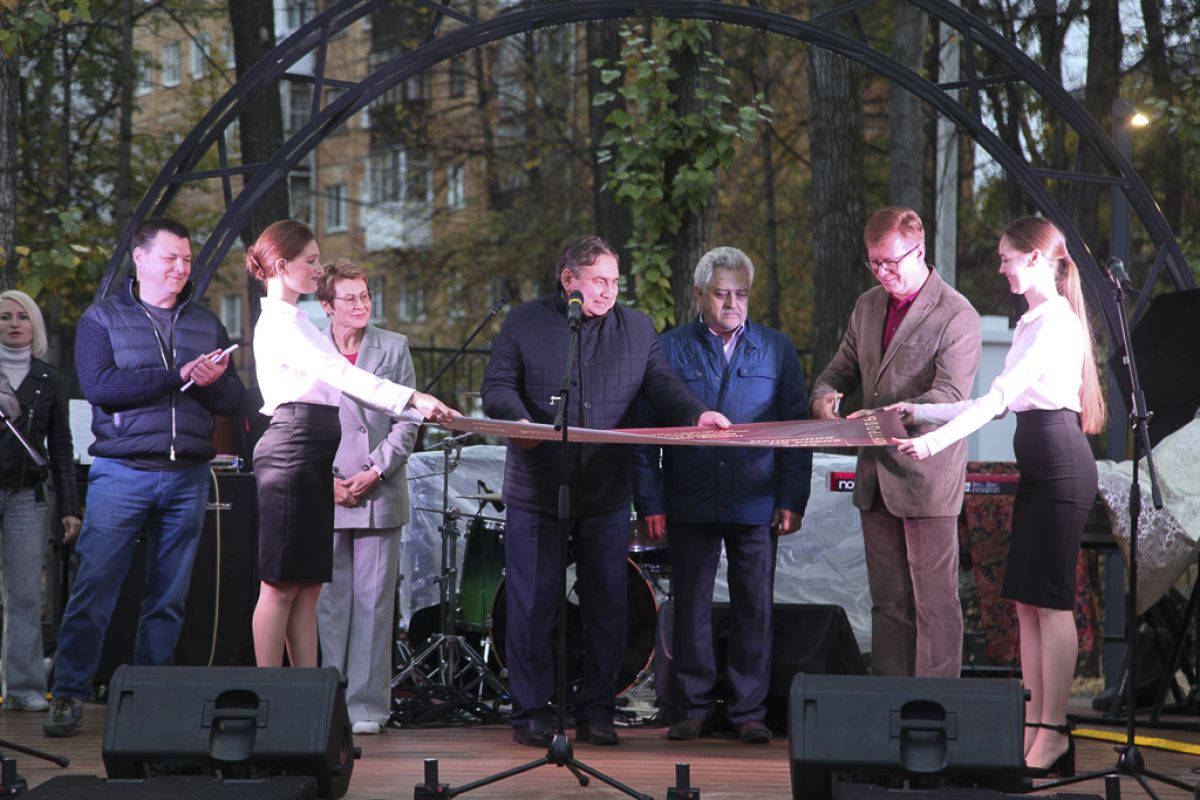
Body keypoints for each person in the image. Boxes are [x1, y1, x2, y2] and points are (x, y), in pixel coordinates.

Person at [481, 235, 730, 747]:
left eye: (615, 281)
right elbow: (497, 387)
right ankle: (531, 712)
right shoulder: (525, 322)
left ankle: (597, 711)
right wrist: (519, 421)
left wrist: (696, 413)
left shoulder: (636, 329)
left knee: (608, 605)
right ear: (568, 280)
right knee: (532, 605)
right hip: (537, 487)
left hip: (606, 491)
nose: (609, 291)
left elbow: (661, 385)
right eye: (599, 281)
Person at [888, 216, 1103, 776]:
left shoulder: (1056, 322)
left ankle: (1053, 732)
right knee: (1028, 602)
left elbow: (997, 400)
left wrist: (932, 443)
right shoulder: (1033, 321)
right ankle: (1035, 727)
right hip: (1040, 468)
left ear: (1035, 258)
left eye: (1007, 258)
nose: (1001, 267)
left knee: (1051, 601)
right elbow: (992, 401)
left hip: (1061, 468)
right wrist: (921, 412)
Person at [45, 217, 245, 737]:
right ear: (140, 258)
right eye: (170, 258)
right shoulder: (101, 319)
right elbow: (101, 388)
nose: (181, 268)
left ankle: (149, 696)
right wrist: (179, 375)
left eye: (187, 259)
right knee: (95, 588)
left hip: (188, 475)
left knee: (169, 597)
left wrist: (209, 382)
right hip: (122, 472)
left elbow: (233, 400)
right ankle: (68, 693)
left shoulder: (205, 322)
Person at [246, 220, 455, 671]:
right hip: (292, 450)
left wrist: (410, 402)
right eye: (311, 261)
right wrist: (412, 398)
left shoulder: (299, 319)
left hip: (310, 451)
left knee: (307, 587)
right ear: (281, 266)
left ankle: (310, 693)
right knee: (280, 585)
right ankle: (269, 693)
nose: (317, 269)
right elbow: (342, 374)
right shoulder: (280, 323)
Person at [632, 247, 812, 744]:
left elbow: (797, 429)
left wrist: (792, 497)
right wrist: (650, 501)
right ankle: (692, 708)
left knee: (755, 605)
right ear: (698, 294)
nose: (732, 303)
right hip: (689, 496)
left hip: (756, 499)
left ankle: (748, 711)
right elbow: (643, 434)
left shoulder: (776, 349)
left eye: (741, 293)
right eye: (721, 293)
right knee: (691, 605)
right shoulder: (669, 349)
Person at [810, 207, 981, 679]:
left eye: (891, 262)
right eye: (874, 263)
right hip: (874, 478)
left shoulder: (956, 314)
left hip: (926, 477)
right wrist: (824, 396)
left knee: (935, 604)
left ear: (919, 251)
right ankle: (890, 703)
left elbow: (949, 397)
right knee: (888, 603)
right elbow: (840, 368)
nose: (882, 273)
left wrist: (887, 416)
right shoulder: (868, 306)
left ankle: (938, 706)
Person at [314, 260, 419, 735]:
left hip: (379, 489)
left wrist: (376, 468)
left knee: (374, 606)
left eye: (365, 296)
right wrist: (324, 479)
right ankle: (329, 701)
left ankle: (367, 709)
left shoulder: (393, 346)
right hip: (327, 489)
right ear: (327, 305)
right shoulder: (310, 347)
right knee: (331, 606)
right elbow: (297, 417)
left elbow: (409, 418)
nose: (360, 305)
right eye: (350, 298)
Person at [0, 291, 80, 713]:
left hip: (27, 497)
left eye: (22, 316)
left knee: (27, 594)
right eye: (4, 317)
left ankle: (24, 688)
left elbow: (61, 447)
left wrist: (70, 507)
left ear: (35, 325)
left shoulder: (49, 379)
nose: (14, 323)